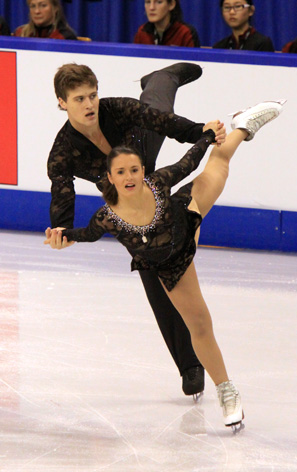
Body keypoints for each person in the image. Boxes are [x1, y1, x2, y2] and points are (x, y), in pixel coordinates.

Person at [45, 99, 286, 430]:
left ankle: (243, 125)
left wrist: (206, 134)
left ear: (142, 170)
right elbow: (83, 234)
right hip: (173, 266)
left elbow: (189, 162)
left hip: (187, 215)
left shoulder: (157, 183)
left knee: (219, 164)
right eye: (121, 172)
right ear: (110, 179)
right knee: (199, 325)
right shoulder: (107, 218)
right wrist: (62, 235)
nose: (130, 177)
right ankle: (227, 392)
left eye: (134, 170)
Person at [46, 61, 226, 400]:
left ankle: (162, 77)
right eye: (79, 99)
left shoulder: (116, 109)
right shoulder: (62, 152)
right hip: (125, 200)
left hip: (140, 152)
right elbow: (62, 194)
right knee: (151, 264)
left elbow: (164, 123)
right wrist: (62, 231)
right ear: (62, 102)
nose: (89, 105)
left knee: (155, 107)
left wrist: (200, 131)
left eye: (92, 96)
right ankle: (190, 365)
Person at [134, 0, 200, 47]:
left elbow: (192, 65)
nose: (151, 7)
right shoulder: (142, 31)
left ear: (171, 4)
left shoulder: (185, 33)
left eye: (159, 2)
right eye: (148, 2)